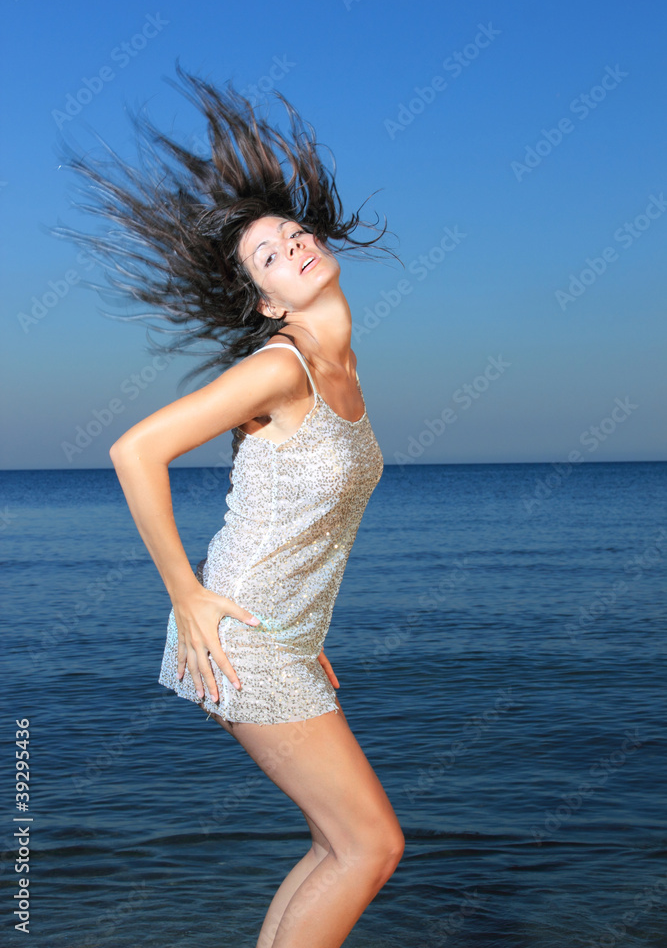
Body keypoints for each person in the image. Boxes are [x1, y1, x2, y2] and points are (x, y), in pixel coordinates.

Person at [58, 64, 405, 948]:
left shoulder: (340, 369)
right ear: (265, 299)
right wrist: (185, 593)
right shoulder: (279, 367)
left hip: (281, 633)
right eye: (268, 255)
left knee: (339, 844)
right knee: (370, 846)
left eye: (292, 233)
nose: (291, 246)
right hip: (238, 632)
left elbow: (300, 522)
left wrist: (307, 632)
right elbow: (134, 450)